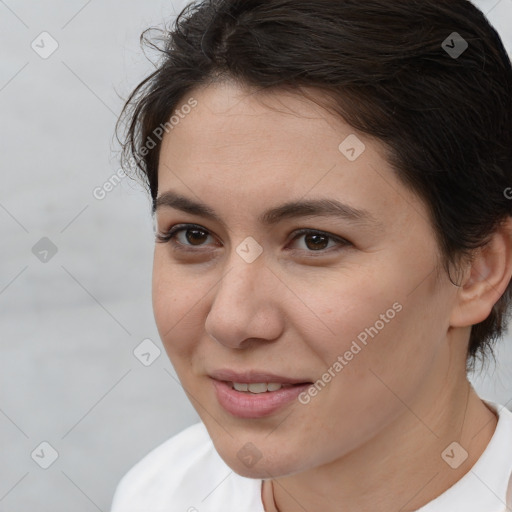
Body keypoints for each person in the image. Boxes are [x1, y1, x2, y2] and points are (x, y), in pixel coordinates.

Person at [111, 0, 512, 510]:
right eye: (193, 235)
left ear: (479, 269)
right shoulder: (161, 493)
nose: (231, 321)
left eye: (314, 240)